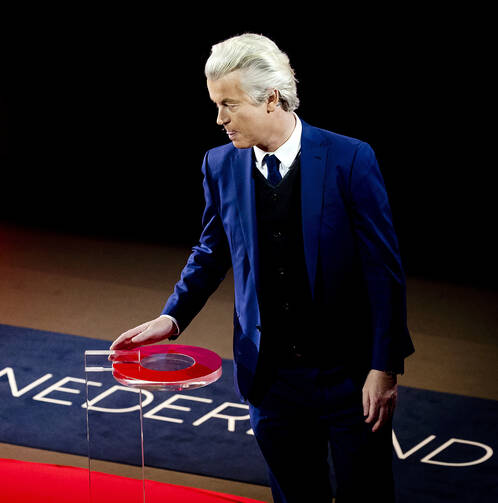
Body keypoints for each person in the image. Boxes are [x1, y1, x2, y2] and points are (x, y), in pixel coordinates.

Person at [110, 33, 415, 502]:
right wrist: (171, 318)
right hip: (271, 381)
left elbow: (383, 271)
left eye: (229, 104)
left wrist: (384, 366)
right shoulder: (220, 164)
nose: (219, 119)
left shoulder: (350, 159)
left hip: (350, 377)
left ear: (270, 99)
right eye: (216, 104)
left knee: (367, 494)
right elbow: (211, 251)